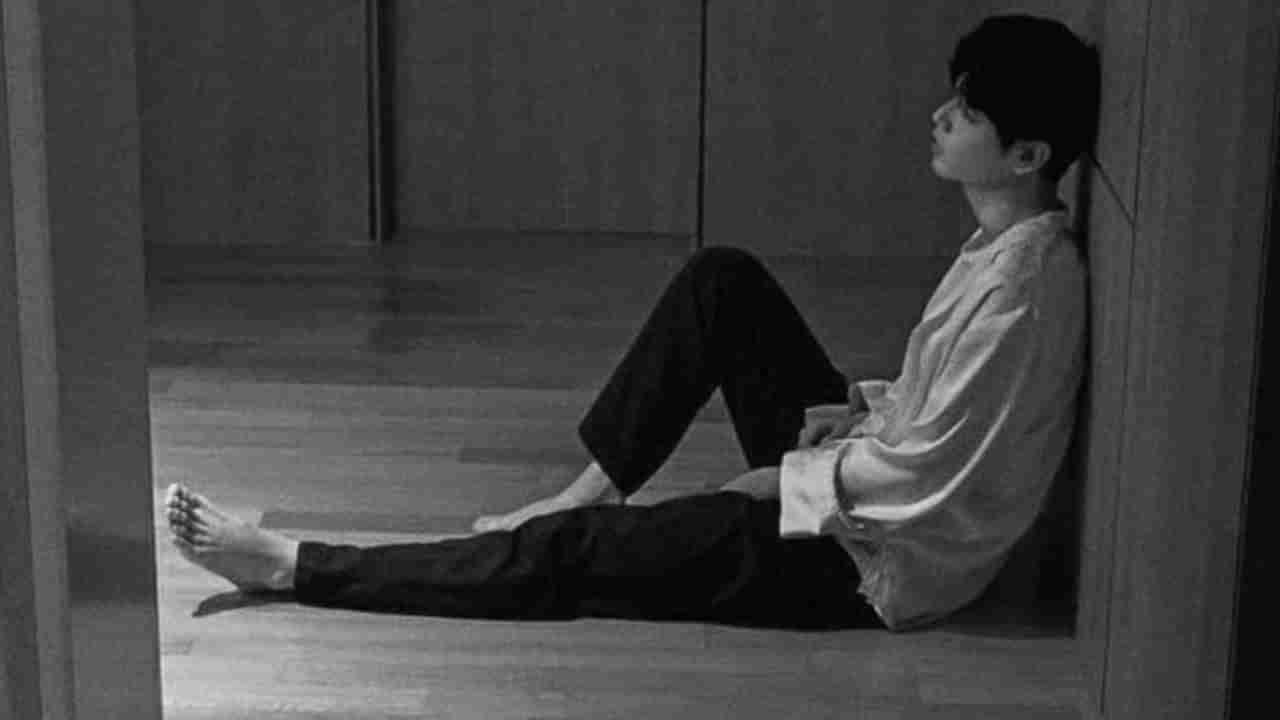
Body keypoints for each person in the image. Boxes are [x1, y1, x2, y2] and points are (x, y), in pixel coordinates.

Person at [166, 13, 1101, 632]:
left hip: (868, 564)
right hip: (865, 482)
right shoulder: (1010, 240)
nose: (939, 116)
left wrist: (780, 480)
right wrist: (861, 408)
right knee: (722, 282)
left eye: (965, 110)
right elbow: (938, 411)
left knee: (572, 559)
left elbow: (935, 472)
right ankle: (586, 490)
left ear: (1025, 153)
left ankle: (295, 566)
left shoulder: (1022, 292)